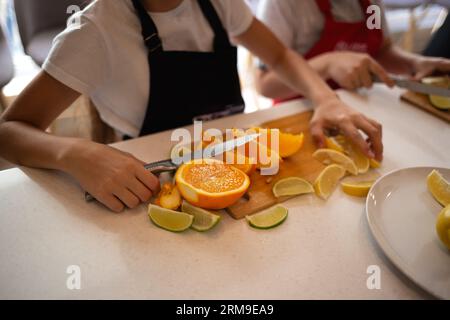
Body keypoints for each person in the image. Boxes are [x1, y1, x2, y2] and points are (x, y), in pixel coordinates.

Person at [0, 0, 383, 213]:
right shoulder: (95, 29)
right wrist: (76, 154)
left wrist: (326, 99)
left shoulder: (219, 2)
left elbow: (280, 55)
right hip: (148, 175)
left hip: (226, 155)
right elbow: (10, 132)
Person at [255, 0, 450, 102]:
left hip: (359, 105)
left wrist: (413, 64)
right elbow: (265, 84)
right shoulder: (283, 4)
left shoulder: (369, 3)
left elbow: (381, 49)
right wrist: (327, 64)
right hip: (300, 110)